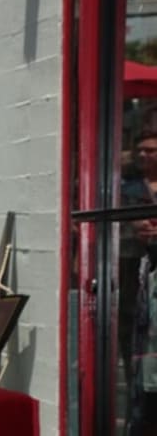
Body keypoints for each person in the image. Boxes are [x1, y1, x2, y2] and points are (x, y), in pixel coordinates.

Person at [120, 130, 157, 434]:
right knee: (134, 342)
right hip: (132, 273)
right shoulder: (125, 188)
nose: (145, 156)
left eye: (152, 150)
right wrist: (133, 228)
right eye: (140, 150)